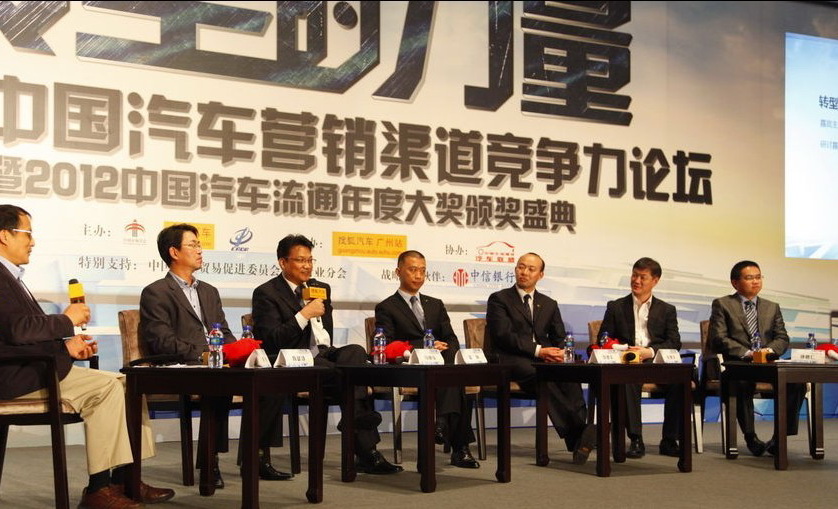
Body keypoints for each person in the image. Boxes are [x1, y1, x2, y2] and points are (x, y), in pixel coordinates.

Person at [0, 204, 174, 509]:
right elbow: (17, 330)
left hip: (35, 367)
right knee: (106, 389)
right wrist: (66, 320)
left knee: (129, 384)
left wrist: (66, 347)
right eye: (27, 233)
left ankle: (126, 478)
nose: (33, 241)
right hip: (18, 377)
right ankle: (98, 489)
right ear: (4, 235)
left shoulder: (11, 276)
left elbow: (21, 333)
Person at [140, 224, 292, 488]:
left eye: (199, 244)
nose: (200, 250)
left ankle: (254, 456)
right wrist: (204, 354)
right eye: (193, 245)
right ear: (174, 252)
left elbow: (224, 333)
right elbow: (160, 341)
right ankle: (210, 462)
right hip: (181, 366)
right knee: (218, 384)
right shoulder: (156, 292)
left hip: (215, 362)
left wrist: (239, 351)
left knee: (268, 380)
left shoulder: (209, 291)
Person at [251, 234, 402, 475]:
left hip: (323, 354)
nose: (307, 266)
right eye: (300, 260)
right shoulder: (266, 293)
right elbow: (272, 340)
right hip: (294, 360)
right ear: (283, 262)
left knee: (355, 353)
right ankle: (365, 446)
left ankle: (353, 421)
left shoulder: (321, 288)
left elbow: (324, 333)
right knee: (345, 374)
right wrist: (304, 315)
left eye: (310, 260)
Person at [485, 252, 595, 465]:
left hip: (543, 359)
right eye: (521, 267)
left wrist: (560, 353)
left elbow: (559, 337)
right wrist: (539, 351)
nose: (524, 272)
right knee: (542, 376)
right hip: (511, 359)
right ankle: (582, 434)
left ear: (541, 275)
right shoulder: (499, 299)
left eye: (530, 269)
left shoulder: (549, 303)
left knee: (569, 375)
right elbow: (503, 336)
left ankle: (578, 439)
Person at [374, 250, 479, 469]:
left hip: (441, 365)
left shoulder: (435, 304)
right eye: (412, 270)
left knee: (453, 365)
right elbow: (388, 344)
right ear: (398, 272)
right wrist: (426, 348)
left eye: (422, 271)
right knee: (454, 379)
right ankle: (458, 446)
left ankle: (441, 422)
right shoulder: (387, 306)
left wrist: (443, 348)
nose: (418, 275)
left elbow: (450, 338)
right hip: (412, 366)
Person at [709, 260, 807, 457]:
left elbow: (782, 337)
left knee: (796, 383)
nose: (755, 281)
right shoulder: (723, 304)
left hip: (767, 365)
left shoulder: (772, 307)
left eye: (758, 277)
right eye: (749, 278)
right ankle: (751, 438)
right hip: (739, 365)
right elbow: (719, 338)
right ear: (735, 282)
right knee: (741, 383)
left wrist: (768, 351)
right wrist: (748, 353)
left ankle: (779, 438)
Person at [599, 257, 683, 458]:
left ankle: (669, 440)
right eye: (634, 275)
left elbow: (674, 342)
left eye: (642, 277)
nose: (636, 281)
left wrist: (649, 351)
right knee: (627, 378)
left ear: (655, 280)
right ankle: (636, 438)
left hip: (655, 361)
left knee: (680, 380)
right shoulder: (616, 307)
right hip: (628, 361)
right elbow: (603, 338)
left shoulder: (667, 310)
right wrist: (625, 349)